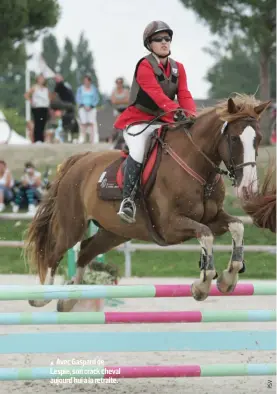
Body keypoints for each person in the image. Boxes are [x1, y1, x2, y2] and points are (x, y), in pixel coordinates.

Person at [115, 21, 197, 224]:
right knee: (139, 150)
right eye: (158, 39)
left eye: (167, 39)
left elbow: (184, 94)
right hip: (139, 121)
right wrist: (177, 112)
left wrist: (191, 114)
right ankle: (128, 200)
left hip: (164, 121)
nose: (164, 42)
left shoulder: (179, 68)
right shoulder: (144, 66)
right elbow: (157, 95)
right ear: (149, 44)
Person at [24, 74, 50, 143]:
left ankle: (42, 139)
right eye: (40, 78)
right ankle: (37, 139)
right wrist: (31, 101)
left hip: (44, 107)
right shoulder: (34, 87)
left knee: (43, 124)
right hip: (37, 108)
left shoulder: (46, 89)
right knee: (38, 123)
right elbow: (26, 95)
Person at [76, 74, 100, 143]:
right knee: (83, 123)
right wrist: (83, 105)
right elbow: (78, 98)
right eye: (85, 81)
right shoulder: (80, 89)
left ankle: (93, 138)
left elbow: (96, 98)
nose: (86, 82)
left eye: (87, 81)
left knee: (92, 123)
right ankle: (82, 138)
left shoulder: (94, 89)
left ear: (90, 81)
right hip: (83, 107)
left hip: (91, 108)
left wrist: (91, 106)